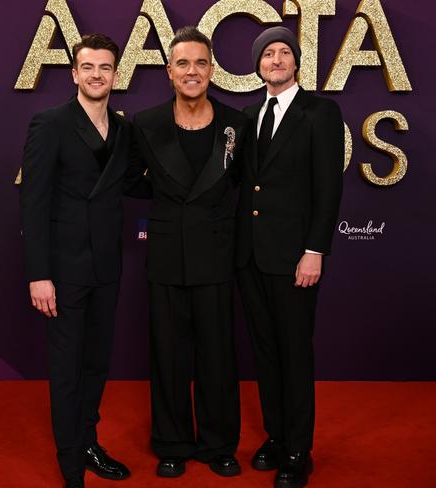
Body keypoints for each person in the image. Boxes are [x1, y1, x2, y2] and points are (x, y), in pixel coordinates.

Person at [130, 26, 249, 479]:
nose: (192, 71)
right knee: (168, 354)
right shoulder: (146, 123)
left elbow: (243, 183)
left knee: (218, 354)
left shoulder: (237, 124)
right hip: (165, 253)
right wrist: (165, 199)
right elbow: (128, 179)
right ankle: (173, 442)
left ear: (212, 69)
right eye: (183, 63)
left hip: (216, 254)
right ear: (169, 72)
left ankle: (219, 444)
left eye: (200, 62)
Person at [19, 34, 131, 488]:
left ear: (116, 75)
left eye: (105, 67)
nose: (97, 75)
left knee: (95, 365)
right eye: (89, 67)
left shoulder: (124, 129)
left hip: (107, 267)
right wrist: (38, 275)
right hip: (63, 272)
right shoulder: (50, 123)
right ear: (74, 74)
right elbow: (33, 202)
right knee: (66, 371)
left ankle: (87, 442)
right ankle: (70, 465)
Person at [235, 27, 344, 488]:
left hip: (296, 258)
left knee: (295, 355)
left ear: (296, 63)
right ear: (258, 65)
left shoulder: (320, 111)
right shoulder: (248, 113)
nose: (276, 60)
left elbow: (328, 189)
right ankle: (277, 437)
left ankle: (299, 450)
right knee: (266, 353)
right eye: (268, 54)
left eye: (284, 53)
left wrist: (314, 251)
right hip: (251, 258)